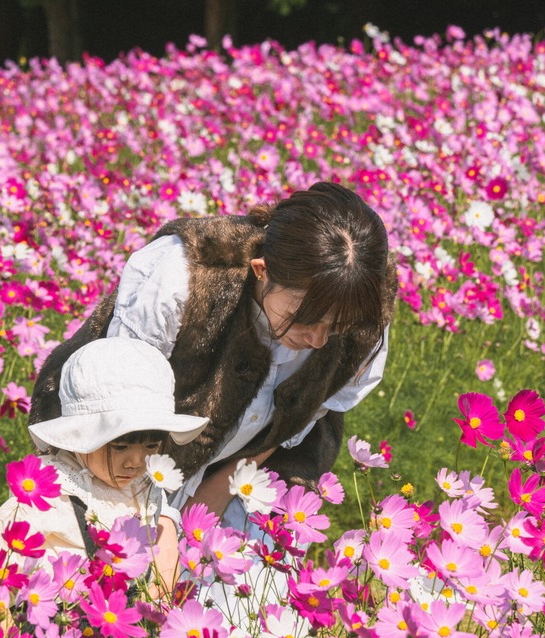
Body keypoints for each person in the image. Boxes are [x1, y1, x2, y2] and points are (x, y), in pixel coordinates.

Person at [31, 182, 397, 585]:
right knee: (104, 581)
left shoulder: (364, 311)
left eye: (338, 326)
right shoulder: (184, 274)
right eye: (304, 318)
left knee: (248, 604)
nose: (319, 340)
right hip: (118, 448)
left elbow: (295, 420)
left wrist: (213, 498)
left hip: (245, 467)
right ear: (262, 270)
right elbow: (121, 415)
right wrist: (158, 516)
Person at [0, 337, 208, 584]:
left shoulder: (144, 484)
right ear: (82, 436)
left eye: (152, 445)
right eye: (119, 446)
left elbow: (157, 545)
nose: (136, 462)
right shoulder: (54, 488)